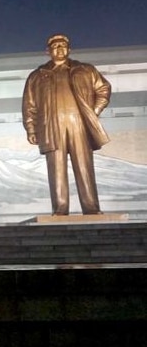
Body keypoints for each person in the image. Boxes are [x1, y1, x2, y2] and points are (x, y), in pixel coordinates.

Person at [22, 34, 112, 215]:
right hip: (52, 127)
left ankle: (92, 208)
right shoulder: (37, 76)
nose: (59, 49)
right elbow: (29, 105)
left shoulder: (85, 70)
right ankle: (60, 209)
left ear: (69, 49)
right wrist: (31, 128)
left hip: (78, 124)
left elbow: (103, 89)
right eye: (55, 46)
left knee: (84, 167)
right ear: (47, 51)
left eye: (63, 45)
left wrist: (93, 112)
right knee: (56, 170)